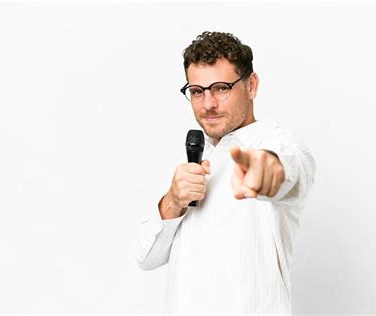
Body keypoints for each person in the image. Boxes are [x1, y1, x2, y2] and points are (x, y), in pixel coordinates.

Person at [135, 31, 316, 314]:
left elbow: (290, 173)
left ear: (251, 85)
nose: (208, 104)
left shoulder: (279, 144)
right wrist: (172, 200)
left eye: (221, 88)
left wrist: (262, 173)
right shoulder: (197, 159)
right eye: (197, 92)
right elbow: (146, 257)